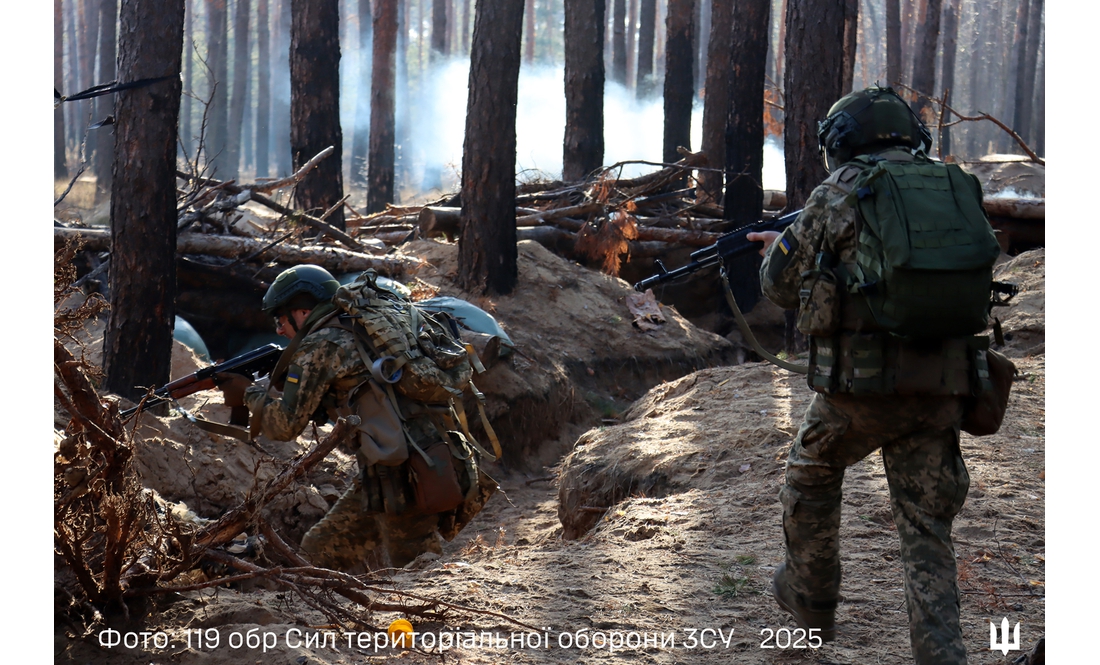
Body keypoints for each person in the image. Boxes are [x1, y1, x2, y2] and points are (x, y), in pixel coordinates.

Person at [747, 87, 984, 664]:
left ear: (840, 142)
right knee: (927, 530)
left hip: (861, 390)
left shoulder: (839, 190)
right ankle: (943, 653)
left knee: (810, 477)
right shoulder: (952, 185)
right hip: (942, 383)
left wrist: (779, 247)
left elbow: (778, 287)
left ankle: (812, 607)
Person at [218, 265, 458, 571]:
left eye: (281, 319)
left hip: (401, 471)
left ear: (303, 312)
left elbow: (284, 427)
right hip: (413, 455)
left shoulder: (319, 345)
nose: (279, 330)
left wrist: (248, 393)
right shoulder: (356, 324)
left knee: (415, 564)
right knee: (321, 548)